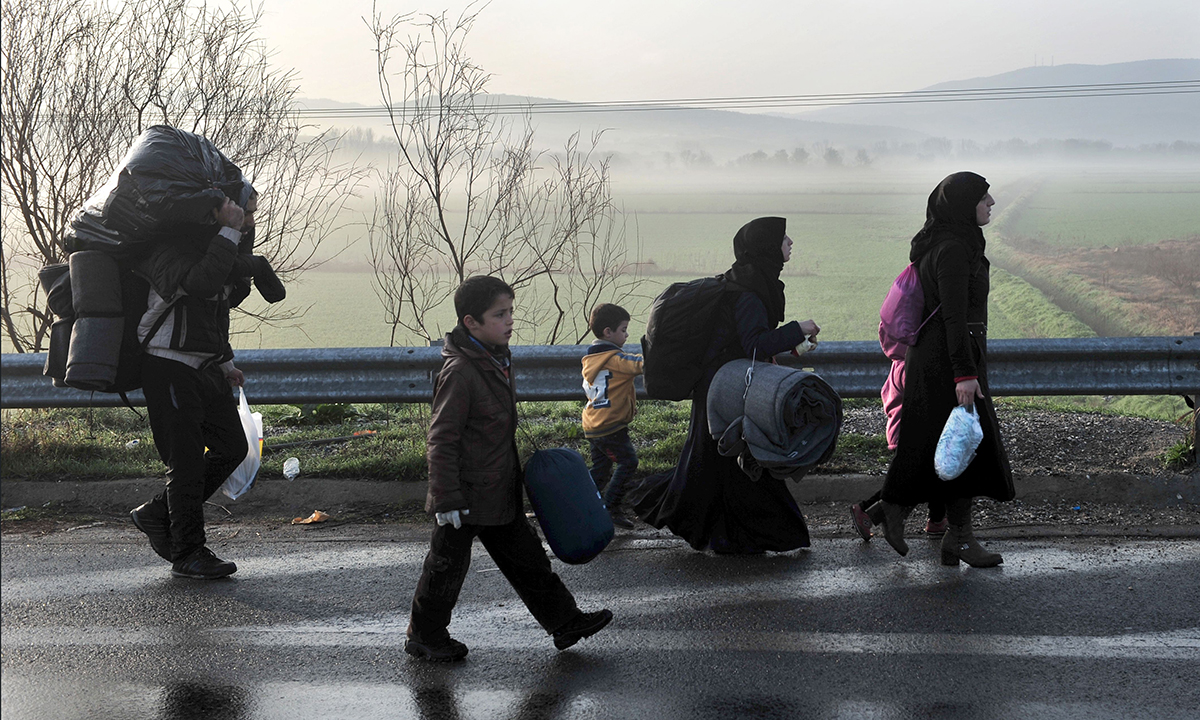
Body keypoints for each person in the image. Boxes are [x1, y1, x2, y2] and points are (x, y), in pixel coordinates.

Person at [406, 275, 613, 662]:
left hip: (498, 487)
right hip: (465, 495)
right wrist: (446, 498)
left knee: (528, 559)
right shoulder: (462, 372)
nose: (509, 320)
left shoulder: (494, 357)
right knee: (445, 569)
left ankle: (564, 622)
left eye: (510, 311)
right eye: (499, 314)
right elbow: (442, 439)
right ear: (471, 322)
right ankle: (425, 635)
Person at [630, 217, 820, 554]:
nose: (790, 242)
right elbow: (754, 343)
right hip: (724, 390)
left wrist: (789, 343)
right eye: (782, 238)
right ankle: (745, 534)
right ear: (766, 247)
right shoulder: (749, 292)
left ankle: (729, 535)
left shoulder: (749, 282)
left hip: (721, 384)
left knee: (719, 460)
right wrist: (796, 328)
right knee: (732, 460)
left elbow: (744, 341)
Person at [129, 191, 286, 579]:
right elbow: (201, 283)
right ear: (217, 212)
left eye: (249, 215)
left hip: (205, 368)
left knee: (232, 446)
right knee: (184, 466)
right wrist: (231, 234)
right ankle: (189, 553)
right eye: (242, 213)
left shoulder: (217, 253)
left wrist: (225, 361)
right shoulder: (174, 250)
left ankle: (156, 513)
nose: (248, 221)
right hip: (167, 366)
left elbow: (213, 313)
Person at [868, 172, 1014, 567]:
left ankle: (901, 512)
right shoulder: (951, 248)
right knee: (965, 447)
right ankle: (954, 535)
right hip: (946, 363)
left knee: (940, 446)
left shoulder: (952, 241)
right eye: (984, 197)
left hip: (946, 359)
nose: (991, 203)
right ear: (964, 204)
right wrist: (964, 374)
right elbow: (953, 316)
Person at [581, 303, 644, 529]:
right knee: (628, 462)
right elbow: (640, 365)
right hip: (610, 427)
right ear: (608, 332)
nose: (627, 335)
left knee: (601, 469)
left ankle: (585, 507)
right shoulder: (616, 359)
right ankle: (611, 507)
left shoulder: (590, 360)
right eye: (624, 329)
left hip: (593, 424)